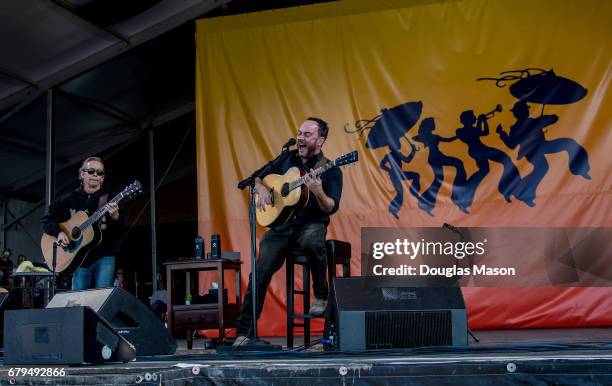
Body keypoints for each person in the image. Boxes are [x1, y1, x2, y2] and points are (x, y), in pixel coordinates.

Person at [234, 117, 343, 346]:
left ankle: (321, 295)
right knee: (260, 272)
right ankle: (244, 334)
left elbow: (330, 207)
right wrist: (261, 188)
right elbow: (257, 176)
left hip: (310, 224)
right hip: (282, 227)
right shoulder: (287, 158)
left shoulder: (331, 169)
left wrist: (318, 191)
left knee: (314, 241)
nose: (301, 138)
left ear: (320, 141)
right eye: (300, 133)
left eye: (307, 135)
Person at [41, 156, 122, 290]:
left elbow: (120, 229)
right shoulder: (69, 199)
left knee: (101, 299)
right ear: (82, 174)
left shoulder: (109, 200)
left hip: (104, 255)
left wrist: (116, 217)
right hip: (78, 258)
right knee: (78, 301)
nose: (95, 174)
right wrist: (59, 233)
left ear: (102, 178)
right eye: (91, 171)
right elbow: (47, 219)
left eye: (99, 172)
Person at [496, 100, 591, 206]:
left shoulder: (531, 122)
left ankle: (580, 168)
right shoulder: (526, 124)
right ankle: (521, 192)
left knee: (568, 144)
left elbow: (554, 118)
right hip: (531, 151)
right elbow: (512, 145)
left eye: (526, 110)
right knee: (544, 167)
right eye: (524, 110)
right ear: (519, 113)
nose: (527, 112)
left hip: (543, 146)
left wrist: (546, 118)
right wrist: (502, 134)